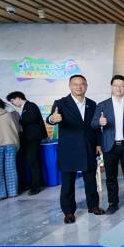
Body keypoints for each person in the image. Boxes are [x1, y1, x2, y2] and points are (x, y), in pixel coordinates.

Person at [47, 75, 105, 223]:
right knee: (68, 183)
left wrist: (98, 144)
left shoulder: (92, 104)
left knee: (90, 180)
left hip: (88, 147)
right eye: (75, 84)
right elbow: (51, 118)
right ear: (70, 86)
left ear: (86, 86)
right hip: (69, 149)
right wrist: (52, 119)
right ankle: (68, 212)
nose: (79, 87)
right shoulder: (61, 103)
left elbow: (95, 127)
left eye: (82, 84)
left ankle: (93, 206)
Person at [92, 75, 124, 214]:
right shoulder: (102, 105)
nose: (119, 88)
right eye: (116, 85)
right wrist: (99, 122)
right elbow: (93, 124)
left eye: (122, 86)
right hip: (109, 146)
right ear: (111, 87)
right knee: (110, 177)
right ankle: (113, 203)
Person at [6, 91, 48, 195]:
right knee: (32, 162)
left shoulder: (30, 106)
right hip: (30, 139)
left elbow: (33, 118)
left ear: (18, 98)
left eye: (12, 101)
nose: (13, 103)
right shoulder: (26, 107)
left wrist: (19, 121)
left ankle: (36, 187)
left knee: (33, 162)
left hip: (33, 139)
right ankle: (36, 183)